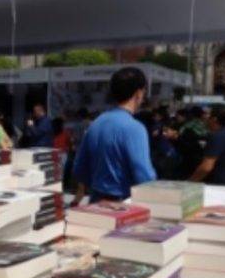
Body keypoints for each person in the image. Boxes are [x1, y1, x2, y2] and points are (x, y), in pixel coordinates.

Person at [70, 67, 157, 205]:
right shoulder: (135, 128)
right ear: (139, 93)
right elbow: (144, 177)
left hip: (95, 204)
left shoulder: (96, 123)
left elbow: (79, 170)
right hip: (123, 206)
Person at [189, 104, 225, 187]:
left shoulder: (218, 137)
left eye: (207, 114)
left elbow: (206, 167)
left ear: (214, 119)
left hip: (220, 188)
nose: (204, 117)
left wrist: (189, 183)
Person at [175, 105, 209, 179]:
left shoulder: (187, 127)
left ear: (191, 115)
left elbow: (182, 141)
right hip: (202, 159)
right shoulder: (206, 127)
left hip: (188, 159)